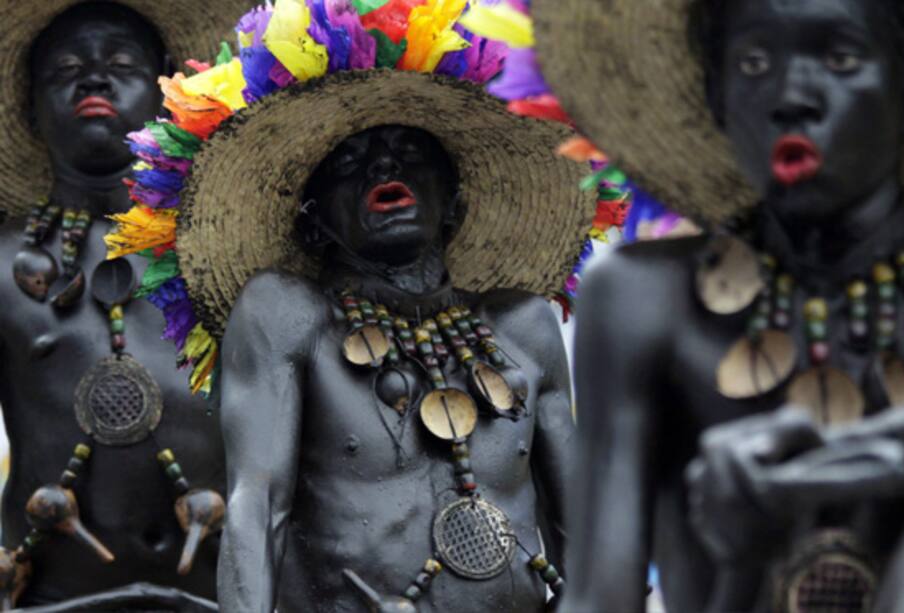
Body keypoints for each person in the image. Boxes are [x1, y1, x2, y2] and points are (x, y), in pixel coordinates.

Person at [104, 2, 596, 610]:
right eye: (349, 162)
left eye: (410, 151)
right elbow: (258, 510)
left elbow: (587, 538)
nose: (384, 166)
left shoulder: (523, 323)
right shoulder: (288, 316)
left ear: (455, 204)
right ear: (313, 224)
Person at [505, 0, 904, 611]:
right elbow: (601, 599)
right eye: (753, 63)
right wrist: (735, 555)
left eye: (841, 57)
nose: (791, 97)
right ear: (719, 102)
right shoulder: (641, 297)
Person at [0, 1, 248, 609]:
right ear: (32, 105)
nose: (92, 79)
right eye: (65, 69)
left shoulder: (229, 255)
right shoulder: (5, 260)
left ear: (167, 91)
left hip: (218, 594)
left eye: (119, 63)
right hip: (52, 596)